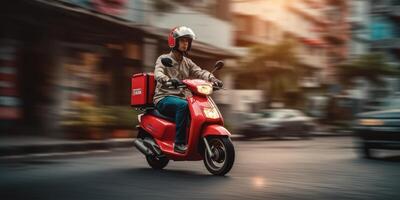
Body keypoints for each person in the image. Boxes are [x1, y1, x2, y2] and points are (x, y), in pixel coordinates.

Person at [153, 26, 223, 154]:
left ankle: (196, 140)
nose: (185, 44)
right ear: (174, 41)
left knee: (197, 110)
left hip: (181, 97)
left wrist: (213, 79)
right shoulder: (163, 59)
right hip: (163, 98)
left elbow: (200, 72)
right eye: (182, 41)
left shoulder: (187, 62)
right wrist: (167, 79)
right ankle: (179, 143)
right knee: (183, 106)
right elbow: (158, 73)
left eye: (187, 41)